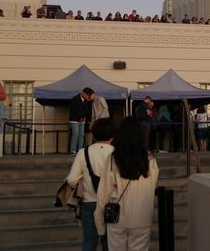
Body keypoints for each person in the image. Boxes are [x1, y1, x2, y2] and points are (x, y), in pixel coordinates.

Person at [95, 117, 159, 251]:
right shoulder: (150, 160)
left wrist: (100, 224)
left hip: (117, 219)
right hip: (142, 217)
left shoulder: (113, 159)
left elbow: (103, 193)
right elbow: (152, 187)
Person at [66, 118, 115, 251]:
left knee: (89, 242)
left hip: (89, 203)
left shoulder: (83, 152)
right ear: (112, 135)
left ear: (94, 134)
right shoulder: (116, 153)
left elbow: (71, 180)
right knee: (110, 243)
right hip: (111, 204)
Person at [70, 88, 93, 154]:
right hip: (74, 120)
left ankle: (80, 149)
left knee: (81, 135)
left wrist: (84, 118)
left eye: (88, 96)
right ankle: (73, 150)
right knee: (75, 134)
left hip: (82, 120)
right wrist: (79, 118)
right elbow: (75, 110)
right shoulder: (75, 99)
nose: (87, 97)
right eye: (86, 95)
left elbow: (87, 110)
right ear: (83, 93)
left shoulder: (86, 101)